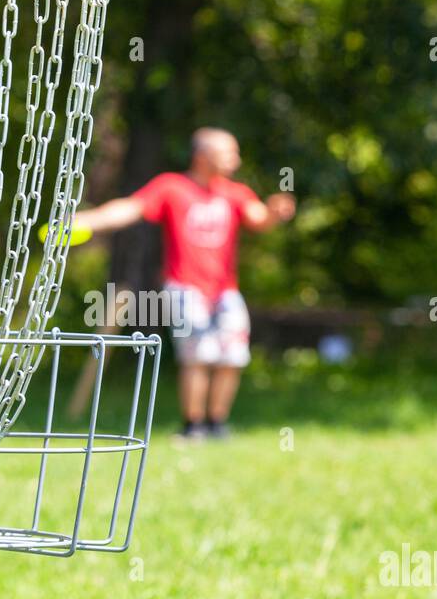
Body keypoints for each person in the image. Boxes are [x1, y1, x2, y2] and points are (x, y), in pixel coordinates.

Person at [72, 127, 295, 439]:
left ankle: (217, 424)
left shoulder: (234, 193)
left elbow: (259, 219)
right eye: (228, 153)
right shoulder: (172, 188)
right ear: (202, 157)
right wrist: (85, 220)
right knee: (198, 355)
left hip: (225, 291)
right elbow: (130, 208)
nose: (236, 160)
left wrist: (273, 212)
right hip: (184, 288)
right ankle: (193, 426)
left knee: (232, 356)